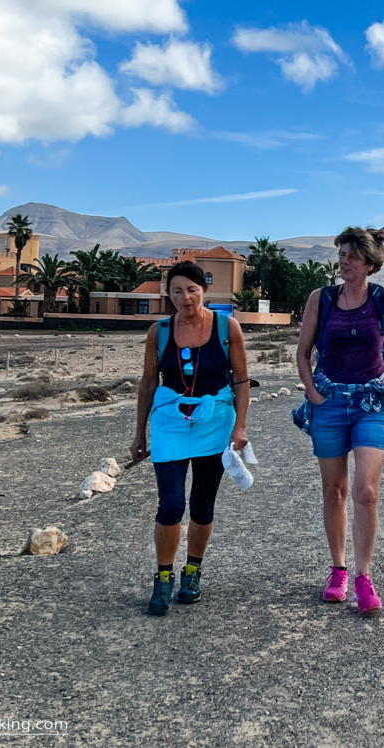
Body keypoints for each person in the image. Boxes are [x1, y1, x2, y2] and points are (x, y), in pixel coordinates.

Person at [294, 227, 384, 616]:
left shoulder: (381, 298)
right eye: (341, 254)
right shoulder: (322, 298)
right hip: (329, 403)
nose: (343, 260)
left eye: (352, 255)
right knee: (335, 491)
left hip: (372, 403)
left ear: (369, 263)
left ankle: (363, 577)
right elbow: (303, 352)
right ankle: (338, 570)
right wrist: (313, 394)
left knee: (366, 490)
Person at [130, 261, 251, 616]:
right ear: (168, 295)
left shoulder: (227, 328)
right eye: (178, 291)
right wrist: (139, 432)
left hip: (215, 421)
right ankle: (163, 577)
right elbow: (148, 382)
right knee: (170, 504)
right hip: (170, 421)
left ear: (205, 291)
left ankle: (193, 570)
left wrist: (240, 427)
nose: (186, 297)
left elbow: (242, 381)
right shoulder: (160, 332)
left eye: (192, 289)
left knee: (201, 503)